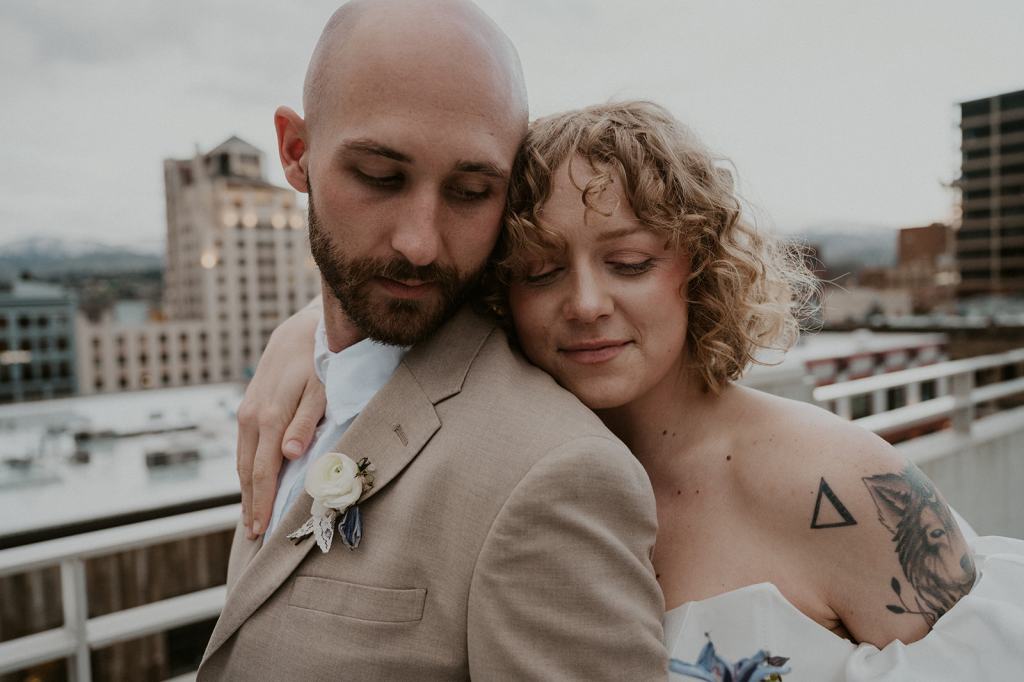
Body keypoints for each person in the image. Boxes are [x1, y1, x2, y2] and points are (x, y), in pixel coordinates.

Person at [242, 100, 1024, 680]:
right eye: (542, 271)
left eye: (629, 263)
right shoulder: (512, 474)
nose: (585, 304)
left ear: (698, 265)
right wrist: (306, 336)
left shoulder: (838, 483)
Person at [198, 2, 668, 679]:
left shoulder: (559, 475)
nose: (420, 243)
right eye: (380, 178)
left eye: (472, 191)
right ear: (296, 152)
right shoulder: (297, 387)